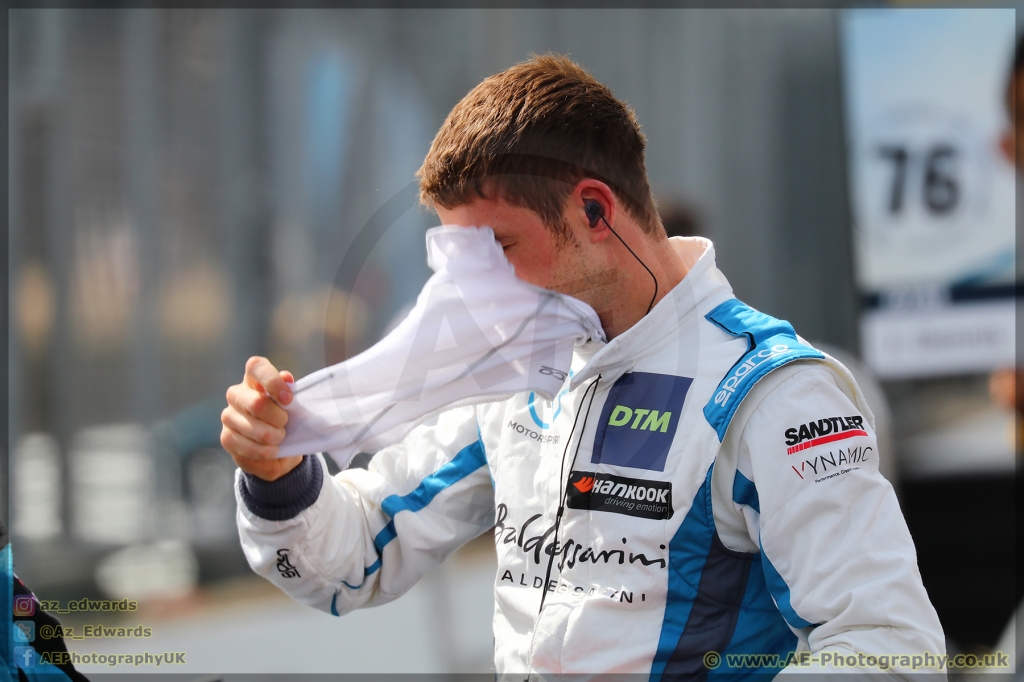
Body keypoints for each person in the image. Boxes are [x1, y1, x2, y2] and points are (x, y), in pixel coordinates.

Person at [221, 54, 944, 677]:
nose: (478, 292)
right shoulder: (517, 376)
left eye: (499, 248)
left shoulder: (770, 393)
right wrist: (279, 479)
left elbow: (889, 647)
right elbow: (356, 561)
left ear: (594, 212)